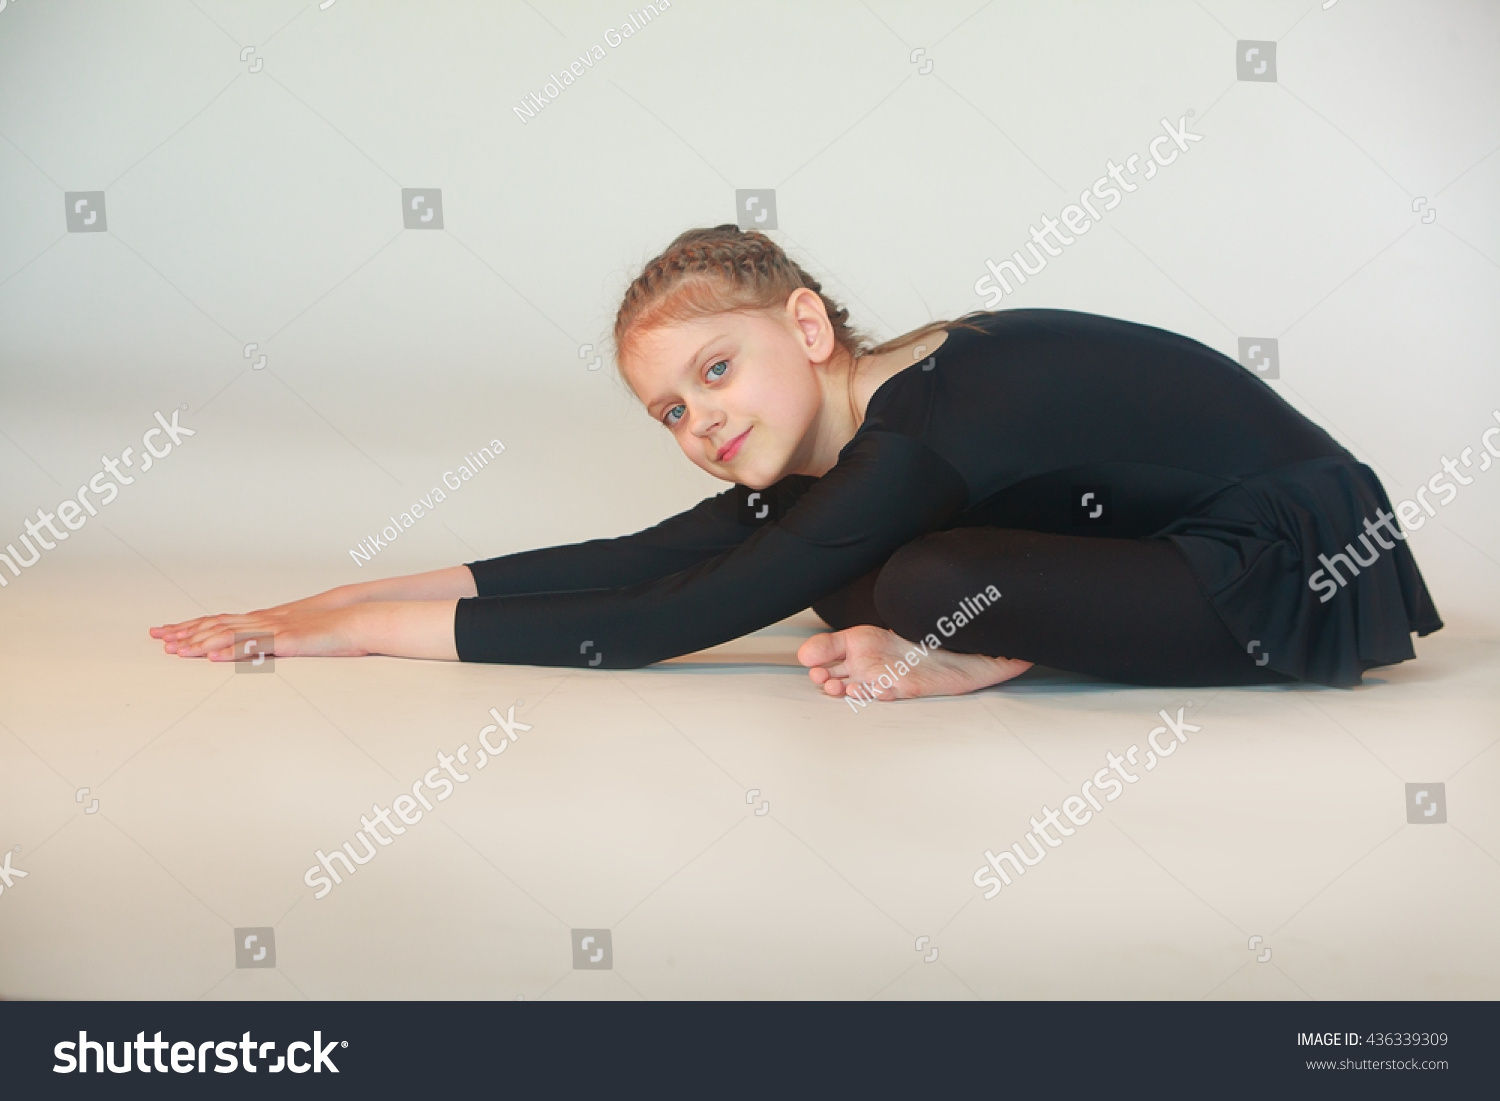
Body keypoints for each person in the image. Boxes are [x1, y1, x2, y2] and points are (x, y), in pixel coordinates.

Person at [151, 225, 1442, 698]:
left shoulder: (925, 426)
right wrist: (321, 598)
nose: (696, 422)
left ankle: (982, 648)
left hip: (1311, 557)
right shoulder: (864, 440)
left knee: (912, 576)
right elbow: (645, 558)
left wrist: (363, 636)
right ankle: (988, 634)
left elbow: (674, 618)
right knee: (834, 570)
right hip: (1176, 542)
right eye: (666, 410)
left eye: (715, 369)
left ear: (809, 328)